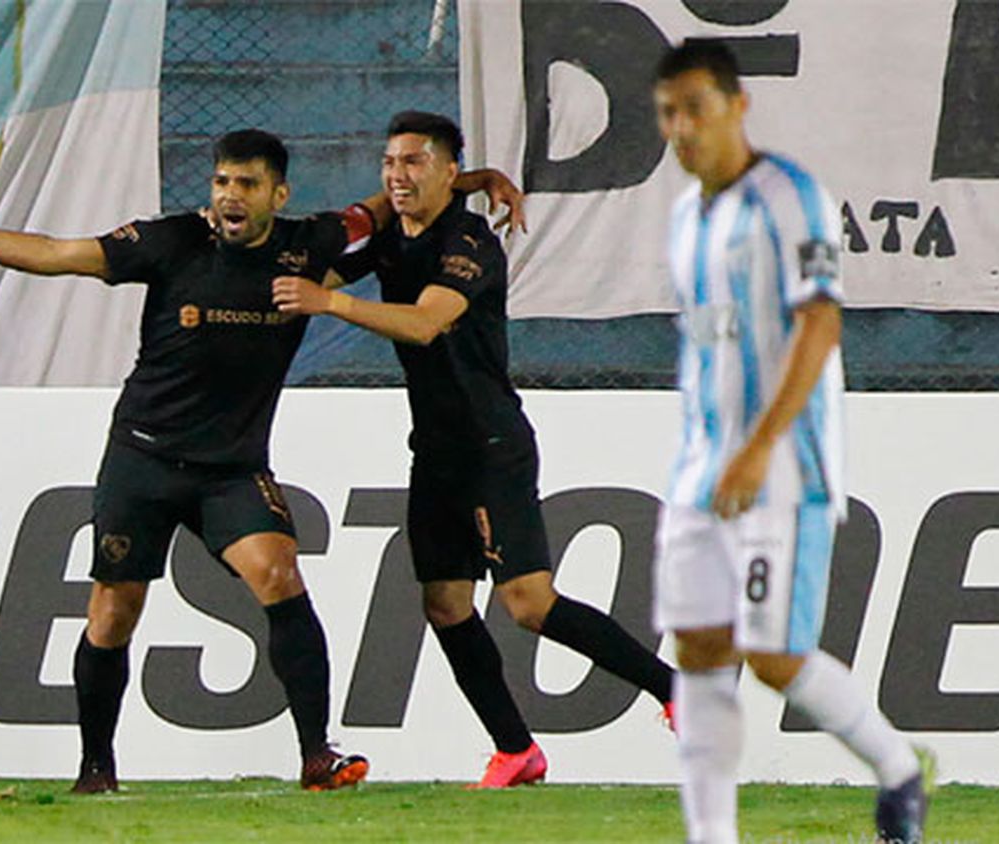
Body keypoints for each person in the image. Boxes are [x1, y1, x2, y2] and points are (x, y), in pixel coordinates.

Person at [0, 129, 522, 794]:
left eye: (247, 185)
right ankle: (96, 768)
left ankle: (318, 756)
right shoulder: (171, 242)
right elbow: (58, 254)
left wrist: (467, 179)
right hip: (142, 460)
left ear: (277, 195)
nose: (230, 196)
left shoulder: (309, 244)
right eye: (223, 182)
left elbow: (386, 207)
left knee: (280, 573)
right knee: (113, 611)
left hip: (231, 471)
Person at [271, 111, 676, 790]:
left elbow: (426, 322)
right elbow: (331, 274)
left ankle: (675, 689)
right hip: (435, 451)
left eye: (414, 163)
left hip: (492, 446)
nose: (398, 176)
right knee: (445, 604)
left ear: (447, 171)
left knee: (529, 602)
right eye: (390, 163)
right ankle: (516, 751)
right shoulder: (395, 235)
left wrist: (325, 304)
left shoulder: (470, 239)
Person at [648, 39, 934, 843]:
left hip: (782, 469)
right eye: (669, 113)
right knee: (699, 651)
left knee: (773, 657)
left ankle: (897, 767)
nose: (682, 129)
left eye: (696, 109)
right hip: (700, 473)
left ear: (738, 106)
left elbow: (820, 324)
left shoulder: (790, 199)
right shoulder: (684, 220)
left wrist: (759, 444)